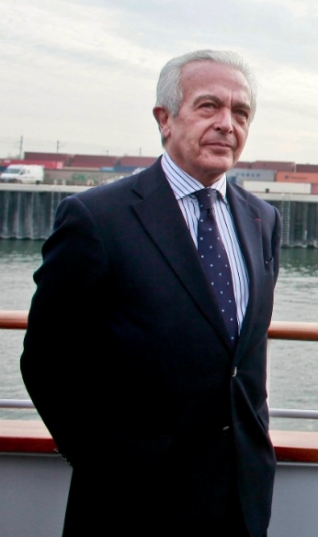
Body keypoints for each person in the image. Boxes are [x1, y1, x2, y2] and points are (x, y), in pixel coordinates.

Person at [21, 50, 281, 536]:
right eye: (209, 107)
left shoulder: (262, 221)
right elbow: (45, 360)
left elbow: (243, 358)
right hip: (130, 501)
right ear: (165, 119)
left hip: (240, 499)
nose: (227, 124)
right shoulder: (98, 218)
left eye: (240, 112)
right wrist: (106, 463)